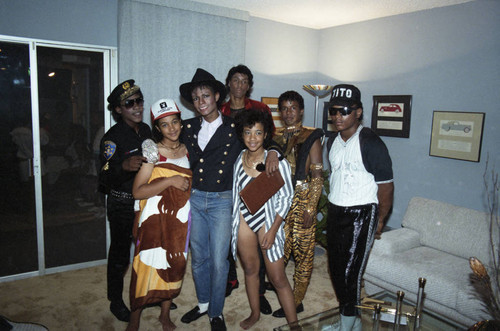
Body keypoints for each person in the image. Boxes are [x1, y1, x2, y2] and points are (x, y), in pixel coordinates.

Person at [324, 84, 394, 331]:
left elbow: (385, 187)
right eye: (333, 111)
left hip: (361, 214)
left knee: (350, 274)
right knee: (334, 269)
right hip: (336, 210)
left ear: (358, 112)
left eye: (344, 111)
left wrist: (380, 220)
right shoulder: (332, 140)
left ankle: (347, 325)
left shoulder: (371, 142)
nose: (337, 117)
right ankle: (349, 320)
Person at [127, 99, 191, 331]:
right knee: (145, 267)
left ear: (181, 123)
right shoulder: (152, 152)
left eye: (175, 122)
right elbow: (137, 191)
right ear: (157, 128)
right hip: (153, 220)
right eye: (165, 125)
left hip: (180, 219)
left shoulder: (187, 149)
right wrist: (170, 181)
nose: (172, 128)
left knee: (174, 266)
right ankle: (134, 320)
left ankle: (165, 314)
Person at [231, 109, 297, 329]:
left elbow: (287, 198)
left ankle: (294, 324)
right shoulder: (238, 161)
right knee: (250, 269)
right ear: (242, 134)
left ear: (266, 134)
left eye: (258, 133)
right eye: (248, 132)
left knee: (277, 277)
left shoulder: (277, 162)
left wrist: (273, 230)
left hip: (270, 220)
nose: (252, 138)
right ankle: (255, 313)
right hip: (244, 219)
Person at [98, 80, 152, 322]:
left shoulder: (147, 130)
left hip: (145, 202)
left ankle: (150, 295)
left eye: (139, 100)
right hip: (122, 204)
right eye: (130, 103)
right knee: (120, 256)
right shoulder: (112, 138)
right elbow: (104, 177)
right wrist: (123, 166)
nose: (137, 107)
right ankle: (116, 300)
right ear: (119, 109)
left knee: (148, 252)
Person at [220, 64, 272, 315]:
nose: (239, 85)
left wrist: (273, 152)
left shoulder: (260, 109)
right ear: (228, 83)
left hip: (255, 178)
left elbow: (271, 140)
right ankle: (231, 280)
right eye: (235, 80)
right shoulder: (219, 109)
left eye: (244, 81)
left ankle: (259, 291)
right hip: (226, 178)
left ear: (249, 85)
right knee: (229, 232)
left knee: (258, 238)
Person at [271, 91, 324, 318]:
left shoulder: (311, 136)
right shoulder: (273, 136)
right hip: (279, 199)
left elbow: (318, 176)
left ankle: (297, 300)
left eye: (293, 108)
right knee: (278, 250)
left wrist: (311, 207)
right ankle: (281, 290)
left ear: (301, 110)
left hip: (303, 198)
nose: (289, 112)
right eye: (284, 108)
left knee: (303, 253)